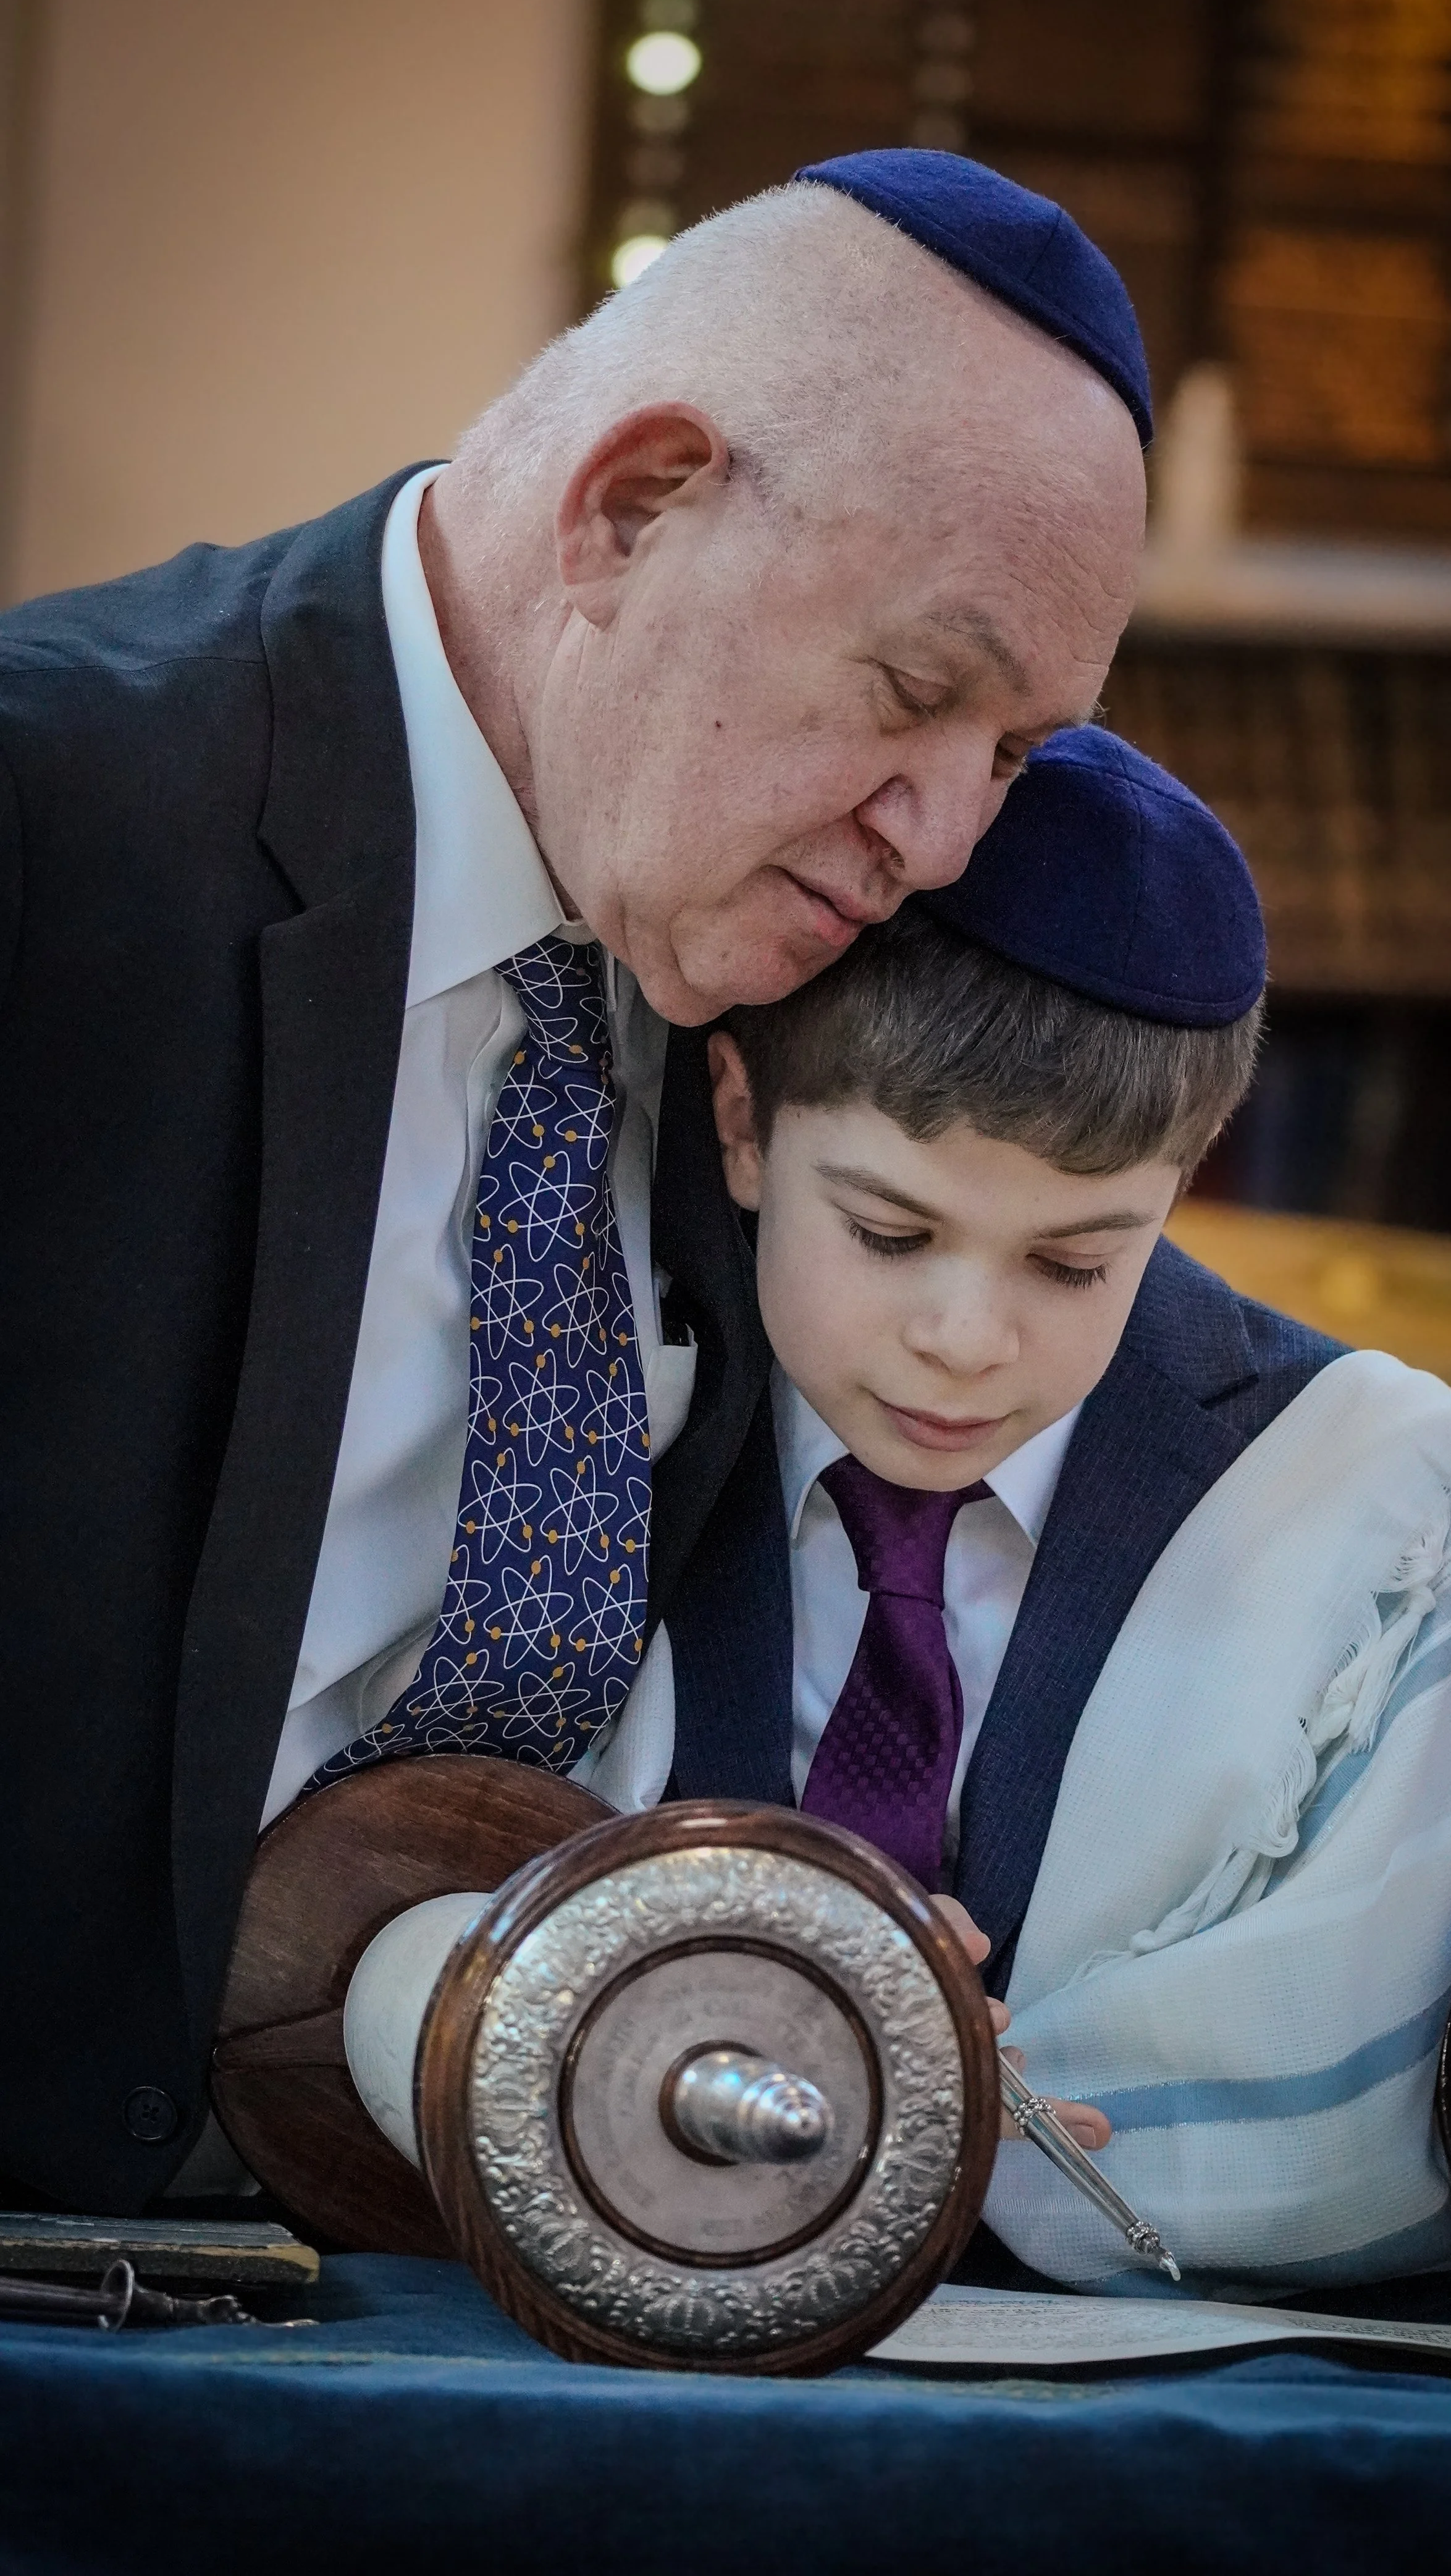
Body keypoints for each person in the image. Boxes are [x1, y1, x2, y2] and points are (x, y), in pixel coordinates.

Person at [0, 150, 1150, 2211]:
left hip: (510, 2259)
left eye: (1018, 756)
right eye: (915, 696)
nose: (944, 837)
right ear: (629, 509)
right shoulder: (47, 822)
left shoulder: (787, 950)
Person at [577, 727, 1451, 2291]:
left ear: (1185, 1177)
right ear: (744, 1123)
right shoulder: (573, 1398)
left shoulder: (1382, 1510)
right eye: (891, 1232)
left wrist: (933, 2092)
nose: (966, 1341)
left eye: (1075, 1262)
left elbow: (1370, 2082)